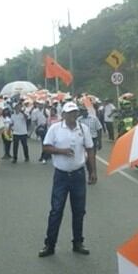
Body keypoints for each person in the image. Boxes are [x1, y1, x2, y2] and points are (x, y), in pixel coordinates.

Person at [38, 102, 97, 257]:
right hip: (61, 176)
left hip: (78, 175)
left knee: (79, 211)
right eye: (69, 113)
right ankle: (50, 245)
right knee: (56, 210)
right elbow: (45, 147)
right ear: (63, 114)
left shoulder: (83, 129)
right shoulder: (55, 129)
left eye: (75, 113)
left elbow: (90, 149)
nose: (72, 116)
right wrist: (61, 151)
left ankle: (78, 242)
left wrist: (92, 171)